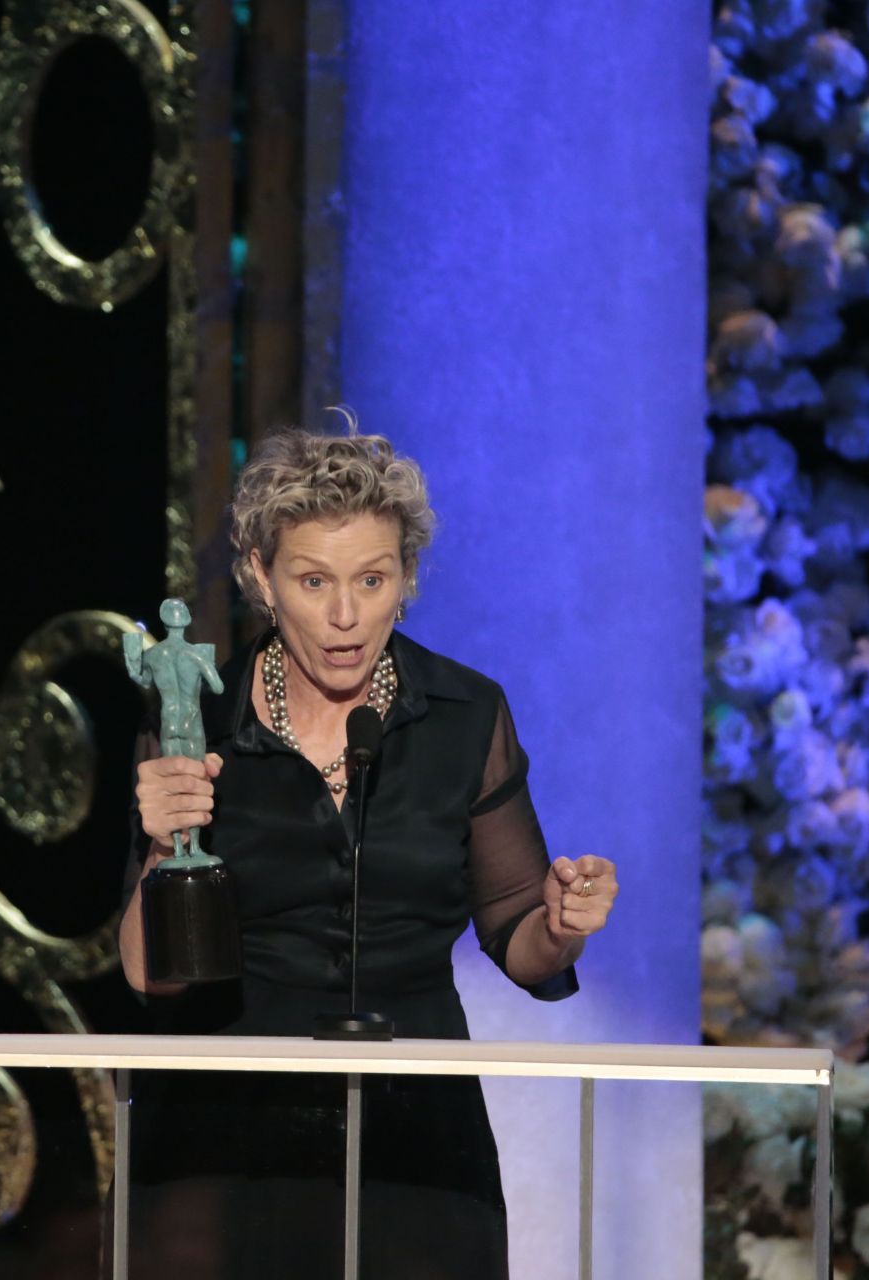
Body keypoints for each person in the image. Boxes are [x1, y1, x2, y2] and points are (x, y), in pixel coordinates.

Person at [115, 426, 620, 1279]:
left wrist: (565, 923)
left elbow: (522, 944)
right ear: (261, 580)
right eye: (314, 582)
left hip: (416, 1140)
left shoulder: (464, 713)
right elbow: (147, 976)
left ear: (406, 581)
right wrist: (169, 845)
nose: (346, 617)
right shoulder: (195, 721)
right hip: (228, 1138)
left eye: (371, 580)